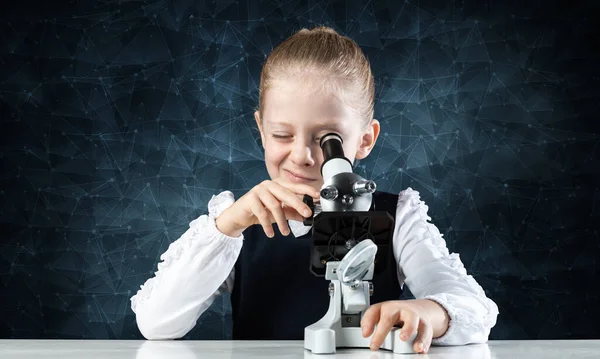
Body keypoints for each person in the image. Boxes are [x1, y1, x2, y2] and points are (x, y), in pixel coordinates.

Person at [130, 25, 499, 354]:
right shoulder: (238, 223)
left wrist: (428, 312)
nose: (303, 155)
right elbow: (157, 323)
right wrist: (227, 227)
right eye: (281, 135)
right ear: (261, 130)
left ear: (365, 140)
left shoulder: (396, 217)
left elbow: (473, 309)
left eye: (328, 139)